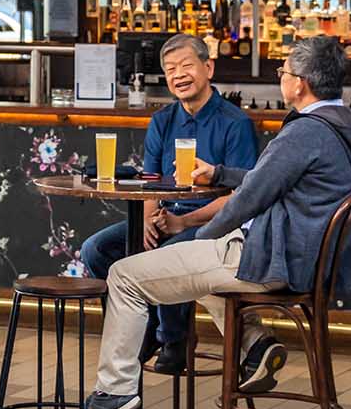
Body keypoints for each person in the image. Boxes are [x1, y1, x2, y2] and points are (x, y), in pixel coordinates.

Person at [70, 36, 351, 409]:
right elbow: (270, 179)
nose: (281, 78)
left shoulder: (304, 132)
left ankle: (114, 391)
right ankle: (256, 344)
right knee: (198, 279)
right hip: (309, 263)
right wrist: (219, 175)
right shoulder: (349, 128)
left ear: (299, 83)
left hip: (269, 259)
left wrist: (199, 238)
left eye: (282, 72)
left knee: (124, 276)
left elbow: (247, 201)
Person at [77, 34, 259, 373]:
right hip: (168, 215)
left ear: (208, 67)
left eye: (187, 66)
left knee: (167, 253)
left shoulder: (235, 124)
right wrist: (148, 219)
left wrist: (183, 223)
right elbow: (150, 181)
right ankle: (141, 329)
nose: (179, 75)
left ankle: (175, 338)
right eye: (171, 69)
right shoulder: (162, 121)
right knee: (96, 249)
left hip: (217, 224)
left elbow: (243, 198)